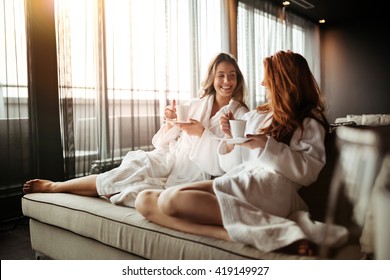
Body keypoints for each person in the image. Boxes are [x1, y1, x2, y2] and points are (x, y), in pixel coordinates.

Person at [134, 50, 348, 253]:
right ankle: (238, 234)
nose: (263, 83)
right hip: (241, 178)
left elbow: (307, 172)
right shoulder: (256, 115)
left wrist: (266, 146)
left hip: (272, 188)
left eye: (268, 78)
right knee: (144, 201)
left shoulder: (308, 119)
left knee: (170, 200)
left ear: (284, 81)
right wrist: (229, 138)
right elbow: (230, 166)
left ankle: (266, 230)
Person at [23, 52, 250, 207]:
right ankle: (55, 186)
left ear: (237, 79)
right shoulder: (195, 104)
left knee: (130, 189)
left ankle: (59, 187)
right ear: (213, 78)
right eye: (221, 75)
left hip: (193, 172)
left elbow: (227, 164)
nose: (226, 81)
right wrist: (170, 121)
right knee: (128, 169)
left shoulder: (240, 114)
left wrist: (201, 133)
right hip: (167, 158)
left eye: (232, 76)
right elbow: (162, 142)